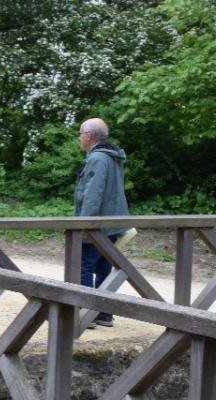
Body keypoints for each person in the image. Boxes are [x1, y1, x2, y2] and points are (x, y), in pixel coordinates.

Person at [74, 117, 130, 328]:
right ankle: (104, 314)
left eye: (80, 134)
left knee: (84, 266)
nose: (80, 139)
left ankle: (85, 313)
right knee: (103, 266)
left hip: (97, 223)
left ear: (88, 136)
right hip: (113, 221)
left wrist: (83, 225)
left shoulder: (98, 158)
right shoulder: (113, 157)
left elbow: (92, 194)